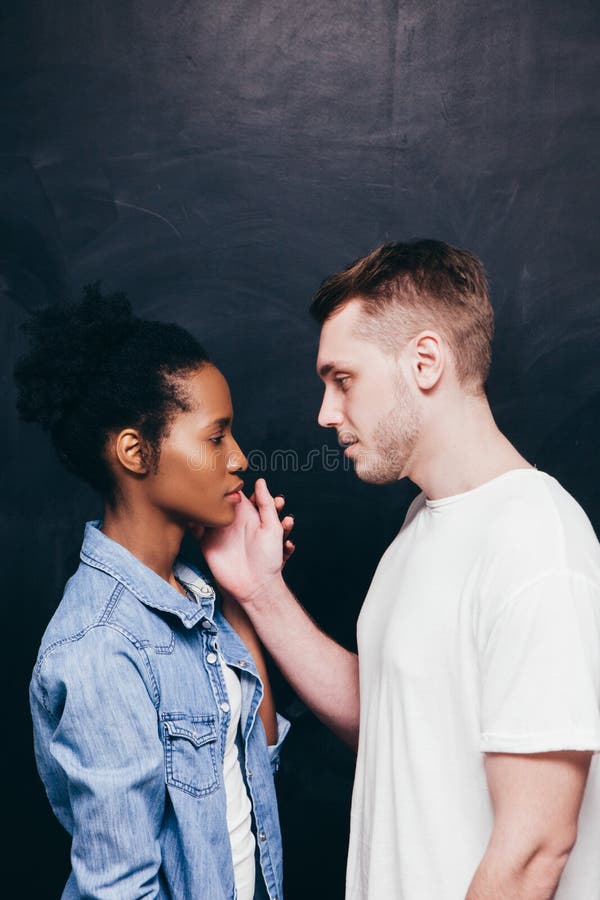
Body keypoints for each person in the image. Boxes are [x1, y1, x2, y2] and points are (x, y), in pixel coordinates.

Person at [198, 240, 600, 899]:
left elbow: (534, 851)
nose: (326, 413)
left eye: (342, 379)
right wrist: (261, 591)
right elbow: (394, 718)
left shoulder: (536, 543)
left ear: (425, 361)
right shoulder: (426, 520)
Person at [16, 285, 293, 900]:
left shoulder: (194, 599)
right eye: (216, 437)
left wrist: (245, 592)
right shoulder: (101, 648)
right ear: (136, 452)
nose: (240, 458)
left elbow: (256, 770)